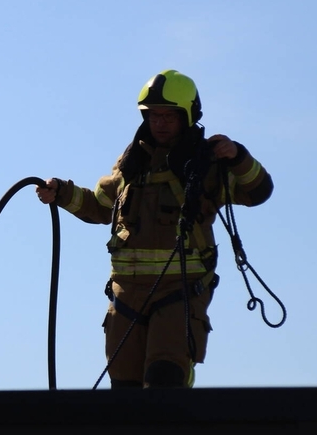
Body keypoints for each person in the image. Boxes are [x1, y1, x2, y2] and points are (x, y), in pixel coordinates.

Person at [36, 69, 272, 388]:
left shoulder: (207, 164)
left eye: (168, 116)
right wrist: (62, 193)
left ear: (187, 116)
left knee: (165, 378)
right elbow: (101, 206)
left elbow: (258, 191)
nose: (159, 123)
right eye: (153, 115)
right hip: (126, 293)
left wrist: (238, 156)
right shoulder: (132, 162)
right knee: (125, 387)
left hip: (180, 290)